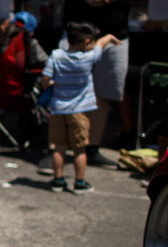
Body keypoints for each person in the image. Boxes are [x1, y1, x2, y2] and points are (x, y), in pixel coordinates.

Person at [46, 0, 150, 165]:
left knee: (104, 93)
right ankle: (58, 149)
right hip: (77, 35)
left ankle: (90, 150)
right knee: (63, 89)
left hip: (115, 36)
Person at [37, 21, 122, 194]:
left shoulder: (57, 55)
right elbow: (100, 45)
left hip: (58, 108)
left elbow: (45, 79)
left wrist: (50, 85)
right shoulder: (88, 58)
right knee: (79, 149)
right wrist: (110, 38)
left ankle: (58, 181)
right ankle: (79, 183)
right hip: (79, 112)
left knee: (58, 147)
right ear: (86, 43)